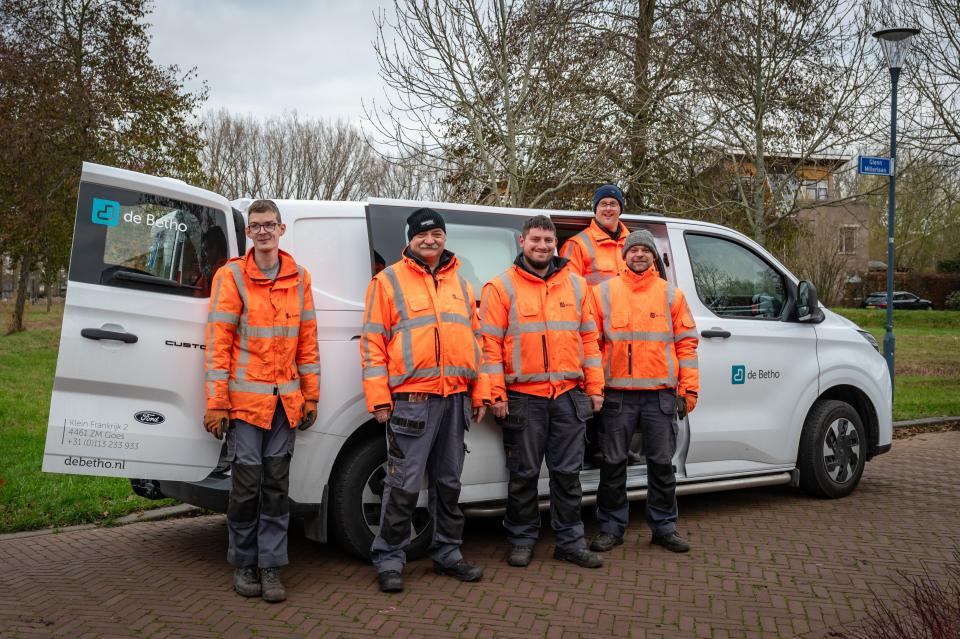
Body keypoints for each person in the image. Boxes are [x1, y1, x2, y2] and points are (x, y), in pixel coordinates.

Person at [360, 208, 488, 593]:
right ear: (409, 239)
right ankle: (389, 559)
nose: (430, 240)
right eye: (422, 235)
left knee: (449, 484)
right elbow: (372, 344)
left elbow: (477, 343)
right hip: (412, 401)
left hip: (455, 400)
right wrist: (379, 398)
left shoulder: (462, 286)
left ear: (445, 238)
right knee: (402, 485)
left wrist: (480, 391)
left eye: (436, 234)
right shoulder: (387, 282)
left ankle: (448, 554)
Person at [203, 199, 320, 602]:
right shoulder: (232, 276)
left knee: (276, 488)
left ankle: (271, 567)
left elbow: (307, 343)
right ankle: (244, 564)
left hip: (285, 406)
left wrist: (310, 396)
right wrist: (217, 402)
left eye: (270, 225)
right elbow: (218, 344)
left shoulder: (299, 277)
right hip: (245, 407)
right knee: (246, 488)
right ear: (248, 232)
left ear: (281, 230)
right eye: (257, 226)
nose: (264, 231)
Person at [479, 215, 605, 569]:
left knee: (568, 476)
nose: (542, 246)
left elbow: (590, 342)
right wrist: (496, 393)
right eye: (536, 239)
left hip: (568, 396)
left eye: (548, 240)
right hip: (523, 398)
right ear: (522, 242)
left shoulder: (578, 286)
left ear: (555, 244)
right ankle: (522, 539)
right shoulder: (500, 288)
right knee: (523, 475)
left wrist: (595, 388)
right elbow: (488, 345)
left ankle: (570, 541)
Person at [588, 229, 699, 554]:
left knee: (662, 466)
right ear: (624, 256)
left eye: (645, 250)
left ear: (653, 256)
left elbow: (687, 345)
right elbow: (591, 346)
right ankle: (610, 528)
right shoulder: (603, 293)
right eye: (633, 250)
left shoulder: (671, 296)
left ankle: (664, 528)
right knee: (612, 465)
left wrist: (688, 389)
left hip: (660, 396)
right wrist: (594, 388)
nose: (639, 255)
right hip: (617, 395)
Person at [560, 184, 630, 285]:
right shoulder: (576, 245)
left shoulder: (634, 244)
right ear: (596, 209)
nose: (608, 208)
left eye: (613, 204)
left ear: (620, 209)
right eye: (603, 204)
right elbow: (568, 288)